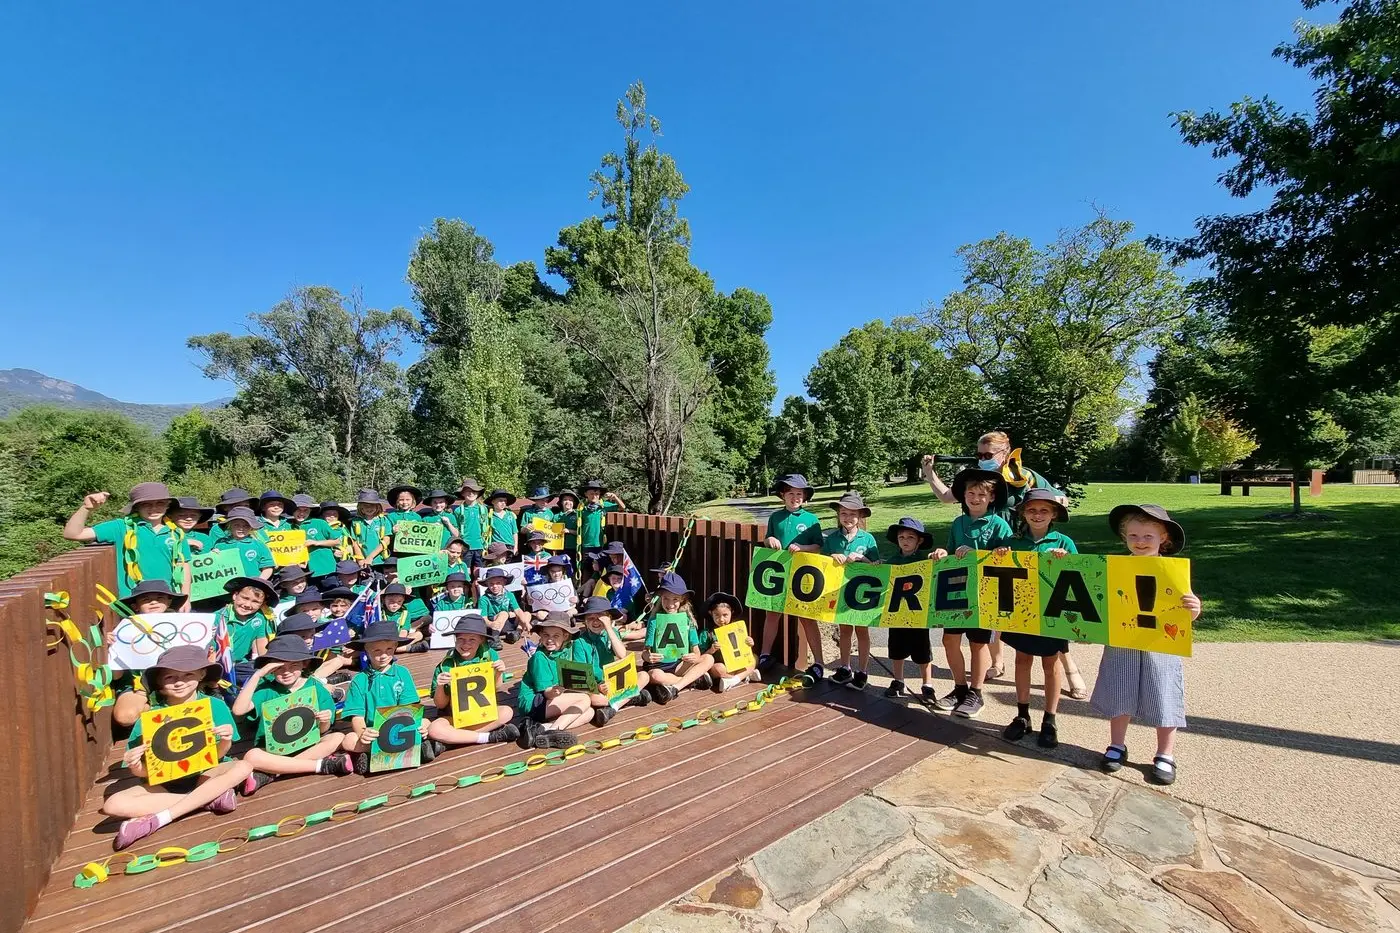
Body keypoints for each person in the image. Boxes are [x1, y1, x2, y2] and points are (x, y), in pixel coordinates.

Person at [101, 645, 254, 850]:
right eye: (170, 677)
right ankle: (207, 799)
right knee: (113, 804)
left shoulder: (215, 706)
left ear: (201, 674)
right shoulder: (149, 718)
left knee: (244, 766)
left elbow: (218, 756)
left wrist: (225, 741)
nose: (179, 682)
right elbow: (146, 772)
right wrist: (135, 766)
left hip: (207, 774)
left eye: (188, 674)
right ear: (159, 682)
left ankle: (161, 818)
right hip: (165, 784)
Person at [1092, 504, 1201, 785]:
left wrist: (1193, 609)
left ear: (1163, 538)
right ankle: (1117, 744)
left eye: (1148, 536)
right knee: (1120, 688)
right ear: (1124, 537)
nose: (1140, 541)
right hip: (1123, 641)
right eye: (1133, 536)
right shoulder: (1114, 568)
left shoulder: (1172, 571)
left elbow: (1185, 609)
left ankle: (1165, 754)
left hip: (1160, 643)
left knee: (1164, 693)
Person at [994, 488, 1076, 749]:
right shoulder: (1013, 541)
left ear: (1053, 514)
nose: (1037, 515)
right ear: (1023, 514)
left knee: (1051, 664)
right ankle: (1023, 715)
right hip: (1021, 611)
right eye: (1031, 510)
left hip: (1052, 612)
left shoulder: (1064, 542)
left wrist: (1066, 560)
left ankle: (1050, 719)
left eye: (1043, 510)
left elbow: (1080, 574)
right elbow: (997, 571)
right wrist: (1000, 555)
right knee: (1022, 659)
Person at [930, 468, 1013, 719]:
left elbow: (1008, 557)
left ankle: (976, 692)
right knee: (949, 640)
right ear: (963, 496)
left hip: (984, 594)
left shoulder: (999, 524)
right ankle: (959, 688)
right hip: (957, 590)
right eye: (971, 494)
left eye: (981, 495)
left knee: (978, 643)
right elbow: (952, 550)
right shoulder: (958, 523)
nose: (975, 499)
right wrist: (942, 553)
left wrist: (979, 554)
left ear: (991, 497)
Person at [231, 635, 354, 795]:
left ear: (304, 664)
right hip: (273, 751)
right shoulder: (267, 689)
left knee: (337, 738)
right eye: (280, 667)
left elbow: (323, 731)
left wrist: (324, 720)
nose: (286, 672)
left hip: (309, 745)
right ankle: (321, 765)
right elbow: (238, 710)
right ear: (271, 669)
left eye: (293, 665)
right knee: (251, 756)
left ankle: (273, 773)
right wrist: (257, 675)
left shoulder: (314, 686)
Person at [343, 620, 439, 773]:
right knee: (349, 740)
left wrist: (416, 727)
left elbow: (409, 708)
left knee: (427, 723)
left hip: (401, 728)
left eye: (389, 649)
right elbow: (357, 715)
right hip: (374, 731)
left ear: (395, 647)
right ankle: (409, 749)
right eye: (377, 651)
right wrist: (363, 733)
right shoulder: (359, 680)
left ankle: (373, 754)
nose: (383, 655)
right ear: (366, 650)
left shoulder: (402, 672)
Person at [63, 482, 187, 598]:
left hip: (167, 598)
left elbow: (184, 565)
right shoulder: (120, 527)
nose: (154, 508)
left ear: (167, 505)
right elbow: (73, 534)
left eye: (160, 503)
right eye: (146, 504)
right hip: (132, 600)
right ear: (136, 507)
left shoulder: (177, 533)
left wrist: (185, 597)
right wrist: (86, 508)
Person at [756, 474, 823, 675]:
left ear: (805, 497)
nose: (795, 497)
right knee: (772, 613)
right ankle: (765, 655)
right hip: (779, 573)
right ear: (783, 495)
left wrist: (803, 547)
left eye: (799, 494)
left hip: (803, 575)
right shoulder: (775, 517)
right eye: (791, 493)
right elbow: (768, 538)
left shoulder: (811, 519)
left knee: (806, 617)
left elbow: (819, 546)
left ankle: (819, 662)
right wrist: (769, 541)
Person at [428, 614, 520, 745]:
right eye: (461, 639)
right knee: (435, 728)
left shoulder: (490, 656)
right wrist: (440, 686)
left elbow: (495, 688)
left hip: (482, 714)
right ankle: (488, 737)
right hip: (453, 716)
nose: (466, 644)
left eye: (472, 639)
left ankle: (453, 740)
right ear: (455, 639)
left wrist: (499, 673)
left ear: (481, 640)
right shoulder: (445, 665)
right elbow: (440, 705)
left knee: (507, 712)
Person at [516, 612, 601, 749]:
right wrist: (555, 691)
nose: (550, 640)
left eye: (556, 636)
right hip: (535, 702)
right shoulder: (539, 657)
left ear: (565, 636)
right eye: (546, 635)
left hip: (555, 699)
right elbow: (545, 692)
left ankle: (542, 729)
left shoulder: (567, 650)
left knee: (589, 712)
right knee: (584, 700)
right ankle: (553, 731)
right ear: (541, 635)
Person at [106, 580, 182, 730]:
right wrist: (111, 647)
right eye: (146, 599)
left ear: (169, 601)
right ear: (135, 606)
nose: (153, 602)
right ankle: (154, 710)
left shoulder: (185, 625)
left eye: (160, 598)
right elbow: (116, 676)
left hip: (177, 682)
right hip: (138, 686)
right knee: (124, 716)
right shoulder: (123, 630)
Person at [823, 492, 880, 690]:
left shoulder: (868, 539)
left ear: (860, 516)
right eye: (844, 513)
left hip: (862, 593)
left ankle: (862, 671)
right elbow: (822, 562)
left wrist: (862, 559)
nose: (848, 518)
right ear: (838, 515)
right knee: (845, 630)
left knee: (862, 631)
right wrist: (832, 556)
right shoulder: (832, 539)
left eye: (852, 514)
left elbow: (876, 565)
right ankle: (845, 667)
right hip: (840, 591)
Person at [882, 517, 937, 702]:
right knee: (896, 648)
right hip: (897, 613)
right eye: (902, 537)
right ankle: (898, 680)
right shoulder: (892, 561)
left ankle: (927, 684)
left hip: (918, 614)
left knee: (923, 650)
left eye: (910, 537)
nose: (905, 541)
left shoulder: (926, 561)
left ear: (919, 540)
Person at [576, 594, 651, 724]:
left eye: (601, 618)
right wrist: (597, 686)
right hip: (595, 685)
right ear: (585, 621)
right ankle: (630, 698)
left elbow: (622, 654)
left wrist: (609, 628)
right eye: (591, 618)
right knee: (595, 700)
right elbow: (582, 673)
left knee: (644, 676)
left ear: (609, 619)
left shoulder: (612, 633)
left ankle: (613, 707)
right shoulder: (579, 642)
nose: (596, 622)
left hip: (612, 680)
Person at [641, 573, 716, 703]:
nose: (670, 604)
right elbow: (645, 652)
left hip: (679, 664)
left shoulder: (688, 621)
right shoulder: (654, 621)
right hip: (659, 667)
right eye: (666, 598)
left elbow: (696, 651)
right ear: (661, 598)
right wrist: (648, 656)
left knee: (709, 658)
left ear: (682, 599)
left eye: (675, 599)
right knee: (654, 675)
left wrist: (694, 656)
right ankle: (692, 680)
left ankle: (675, 687)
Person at [212, 576, 277, 693]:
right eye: (245, 598)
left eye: (255, 602)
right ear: (235, 596)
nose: (247, 604)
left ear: (262, 604)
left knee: (266, 680)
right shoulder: (217, 617)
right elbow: (209, 651)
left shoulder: (259, 619)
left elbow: (262, 649)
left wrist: (268, 670)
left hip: (240, 665)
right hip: (216, 666)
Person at [697, 592, 760, 692]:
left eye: (725, 615)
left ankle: (733, 680)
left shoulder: (737, 629)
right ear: (710, 613)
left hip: (738, 662)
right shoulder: (707, 633)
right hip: (722, 665)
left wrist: (749, 643)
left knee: (754, 658)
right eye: (717, 615)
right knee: (718, 668)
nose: (721, 619)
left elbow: (745, 651)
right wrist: (711, 650)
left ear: (732, 612)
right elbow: (701, 657)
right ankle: (745, 675)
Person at [209, 507, 275, 580]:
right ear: (229, 526)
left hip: (251, 584)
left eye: (246, 526)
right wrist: (212, 556)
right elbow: (214, 567)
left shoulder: (259, 545)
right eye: (236, 525)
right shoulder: (220, 544)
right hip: (227, 584)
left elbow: (268, 567)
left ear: (251, 527)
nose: (241, 528)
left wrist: (258, 582)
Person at [477, 566, 530, 644]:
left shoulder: (509, 595)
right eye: (491, 584)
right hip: (494, 625)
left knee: (527, 614)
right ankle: (494, 638)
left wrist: (526, 622)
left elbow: (518, 610)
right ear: (487, 584)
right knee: (503, 613)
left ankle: (516, 633)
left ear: (504, 583)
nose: (495, 586)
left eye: (498, 583)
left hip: (509, 624)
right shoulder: (484, 599)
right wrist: (491, 624)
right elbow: (483, 618)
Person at [296, 496, 344, 580]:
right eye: (298, 510)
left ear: (310, 511)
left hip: (325, 569)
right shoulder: (288, 526)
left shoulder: (319, 523)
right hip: (301, 572)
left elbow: (337, 541)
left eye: (305, 510)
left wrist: (316, 542)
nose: (302, 513)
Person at [379, 582, 430, 653]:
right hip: (383, 640)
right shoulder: (379, 612)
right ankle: (409, 648)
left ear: (403, 601)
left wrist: (397, 642)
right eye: (391, 601)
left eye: (399, 601)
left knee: (419, 635)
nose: (395, 604)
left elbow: (403, 633)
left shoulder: (405, 613)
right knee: (379, 646)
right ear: (384, 600)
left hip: (398, 639)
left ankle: (392, 649)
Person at [578, 479, 625, 552]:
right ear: (586, 494)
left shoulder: (604, 506)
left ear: (599, 495)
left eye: (596, 494)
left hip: (601, 544)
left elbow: (622, 507)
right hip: (585, 544)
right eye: (591, 494)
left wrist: (615, 497)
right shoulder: (581, 508)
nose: (594, 496)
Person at [351, 489, 393, 568]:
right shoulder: (356, 522)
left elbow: (386, 541)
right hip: (363, 563)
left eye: (372, 505)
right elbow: (354, 542)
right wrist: (360, 559)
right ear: (360, 507)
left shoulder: (383, 520)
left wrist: (370, 557)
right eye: (366, 505)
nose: (369, 508)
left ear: (377, 506)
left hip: (380, 561)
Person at [451, 478, 490, 551]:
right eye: (468, 491)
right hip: (464, 547)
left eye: (474, 491)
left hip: (481, 546)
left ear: (478, 493)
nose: (471, 493)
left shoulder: (483, 509)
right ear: (462, 493)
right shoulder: (458, 511)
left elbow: (487, 527)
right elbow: (456, 530)